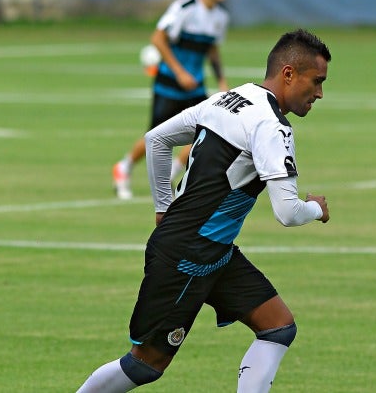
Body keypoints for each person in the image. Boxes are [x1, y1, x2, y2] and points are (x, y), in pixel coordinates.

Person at [77, 29, 331, 392]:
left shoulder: (228, 99)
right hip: (187, 256)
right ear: (289, 74)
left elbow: (157, 139)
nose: (320, 93)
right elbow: (288, 212)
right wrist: (316, 209)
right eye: (317, 81)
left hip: (214, 252)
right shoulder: (271, 126)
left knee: (278, 327)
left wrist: (164, 208)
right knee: (146, 364)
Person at [113, 0, 230, 200]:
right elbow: (157, 38)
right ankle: (124, 167)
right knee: (155, 136)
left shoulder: (220, 17)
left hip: (195, 86)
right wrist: (179, 72)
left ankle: (174, 173)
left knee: (207, 132)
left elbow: (213, 51)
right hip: (169, 84)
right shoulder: (185, 8)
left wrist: (222, 82)